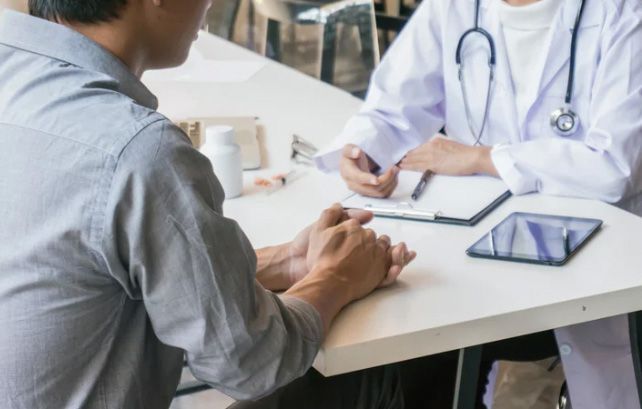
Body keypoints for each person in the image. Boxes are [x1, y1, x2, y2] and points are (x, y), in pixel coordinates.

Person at [0, 1, 420, 408]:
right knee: (363, 378)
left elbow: (81, 271)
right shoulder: (137, 150)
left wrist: (286, 262)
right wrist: (336, 279)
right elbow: (249, 363)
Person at [315, 0, 642, 408]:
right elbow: (393, 105)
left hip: (592, 256)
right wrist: (362, 150)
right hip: (470, 247)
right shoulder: (452, 7)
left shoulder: (624, 11)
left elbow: (614, 167)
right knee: (406, 344)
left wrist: (483, 157)